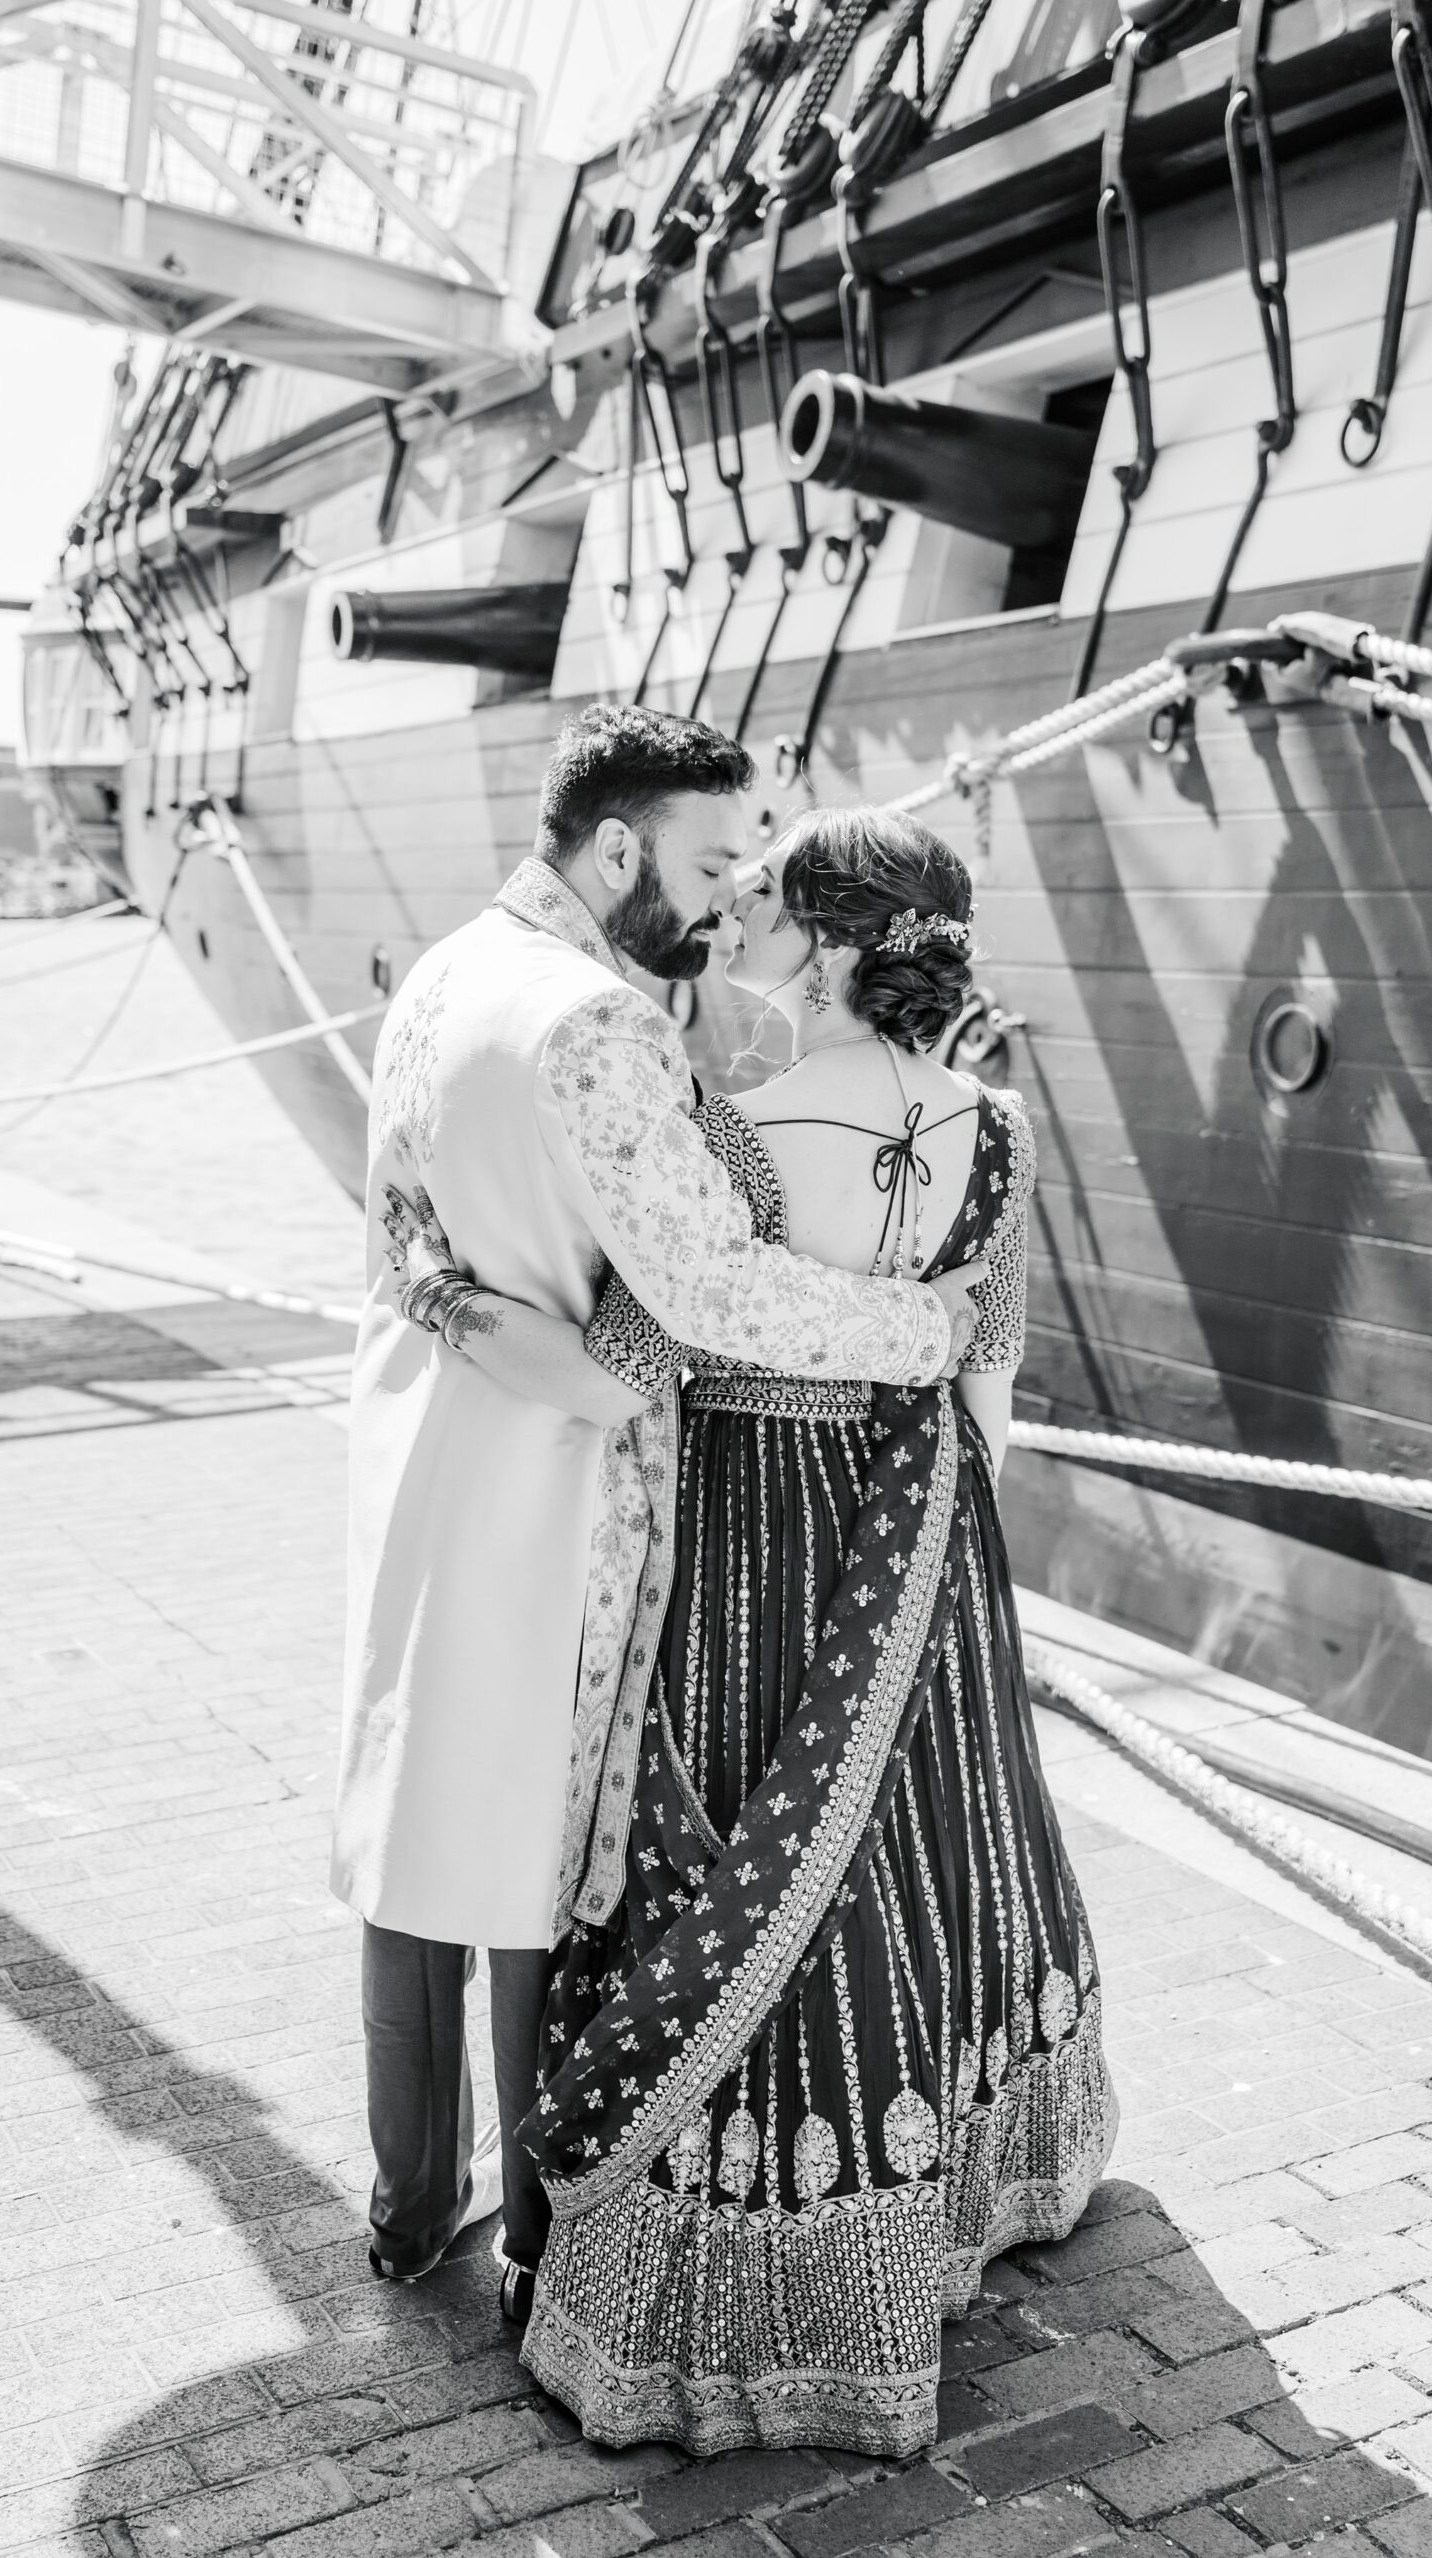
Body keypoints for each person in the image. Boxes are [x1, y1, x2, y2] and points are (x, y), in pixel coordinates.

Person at [382, 804, 1113, 2456]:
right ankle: (960, 2179)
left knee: (748, 1865)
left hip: (755, 1542)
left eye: (774, 902)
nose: (746, 922)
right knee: (922, 1846)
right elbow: (989, 1381)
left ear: (840, 948)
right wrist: (918, 1510)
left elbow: (637, 1364)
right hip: (925, 1526)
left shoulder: (740, 1130)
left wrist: (443, 1295)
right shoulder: (991, 1128)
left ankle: (752, 2269)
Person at [333, 711, 985, 2314]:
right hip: (562, 1489)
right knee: (537, 1862)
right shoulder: (597, 1027)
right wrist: (931, 1332)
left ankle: (412, 2207)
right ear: (616, 849)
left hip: (423, 1455)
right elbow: (710, 1286)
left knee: (421, 1835)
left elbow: (403, 1231)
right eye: (706, 864)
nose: (722, 903)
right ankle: (549, 2238)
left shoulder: (443, 972)